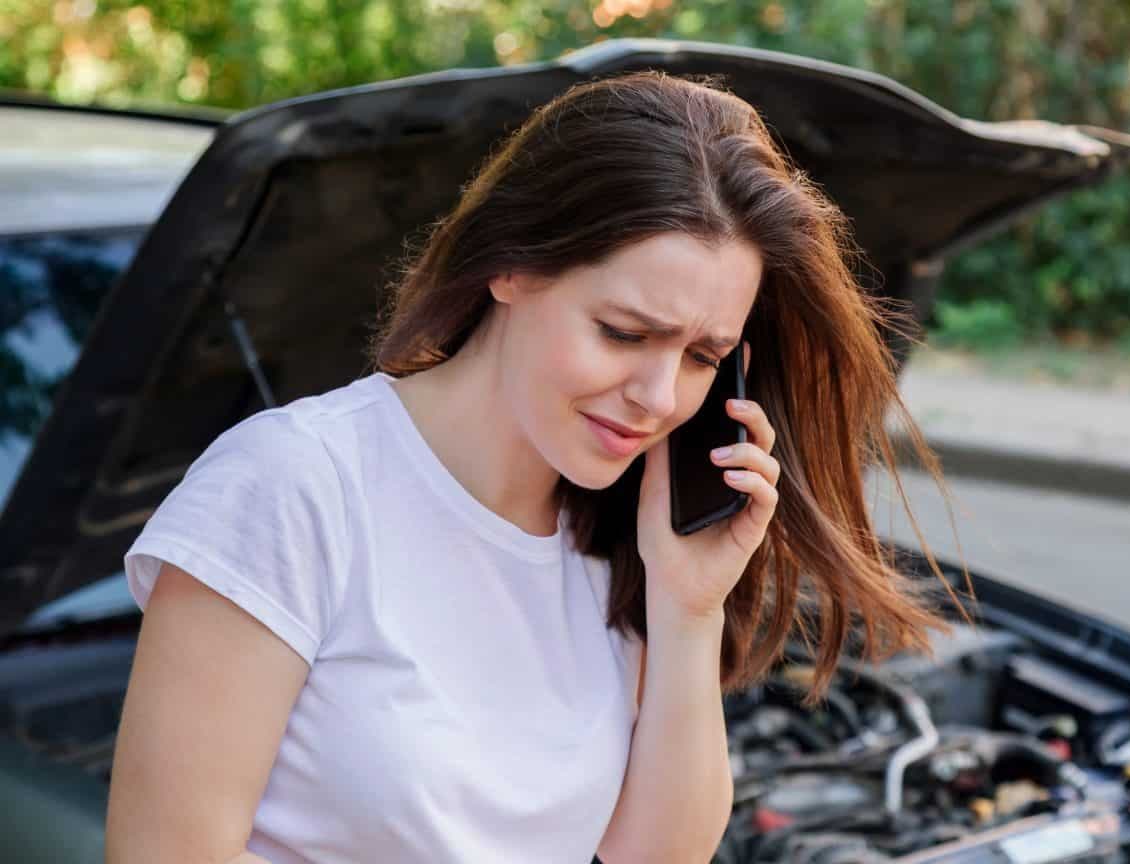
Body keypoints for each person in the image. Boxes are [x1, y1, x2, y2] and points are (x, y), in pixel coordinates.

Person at [104, 69, 968, 864]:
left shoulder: (621, 537)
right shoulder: (293, 489)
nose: (659, 395)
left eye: (705, 356)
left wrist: (688, 608)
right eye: (625, 333)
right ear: (510, 265)